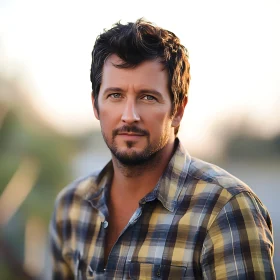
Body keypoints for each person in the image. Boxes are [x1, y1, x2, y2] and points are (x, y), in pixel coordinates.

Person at [49, 19, 276, 279]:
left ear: (177, 111)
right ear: (96, 105)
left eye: (148, 97)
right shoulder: (70, 206)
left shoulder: (226, 209)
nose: (129, 115)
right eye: (115, 95)